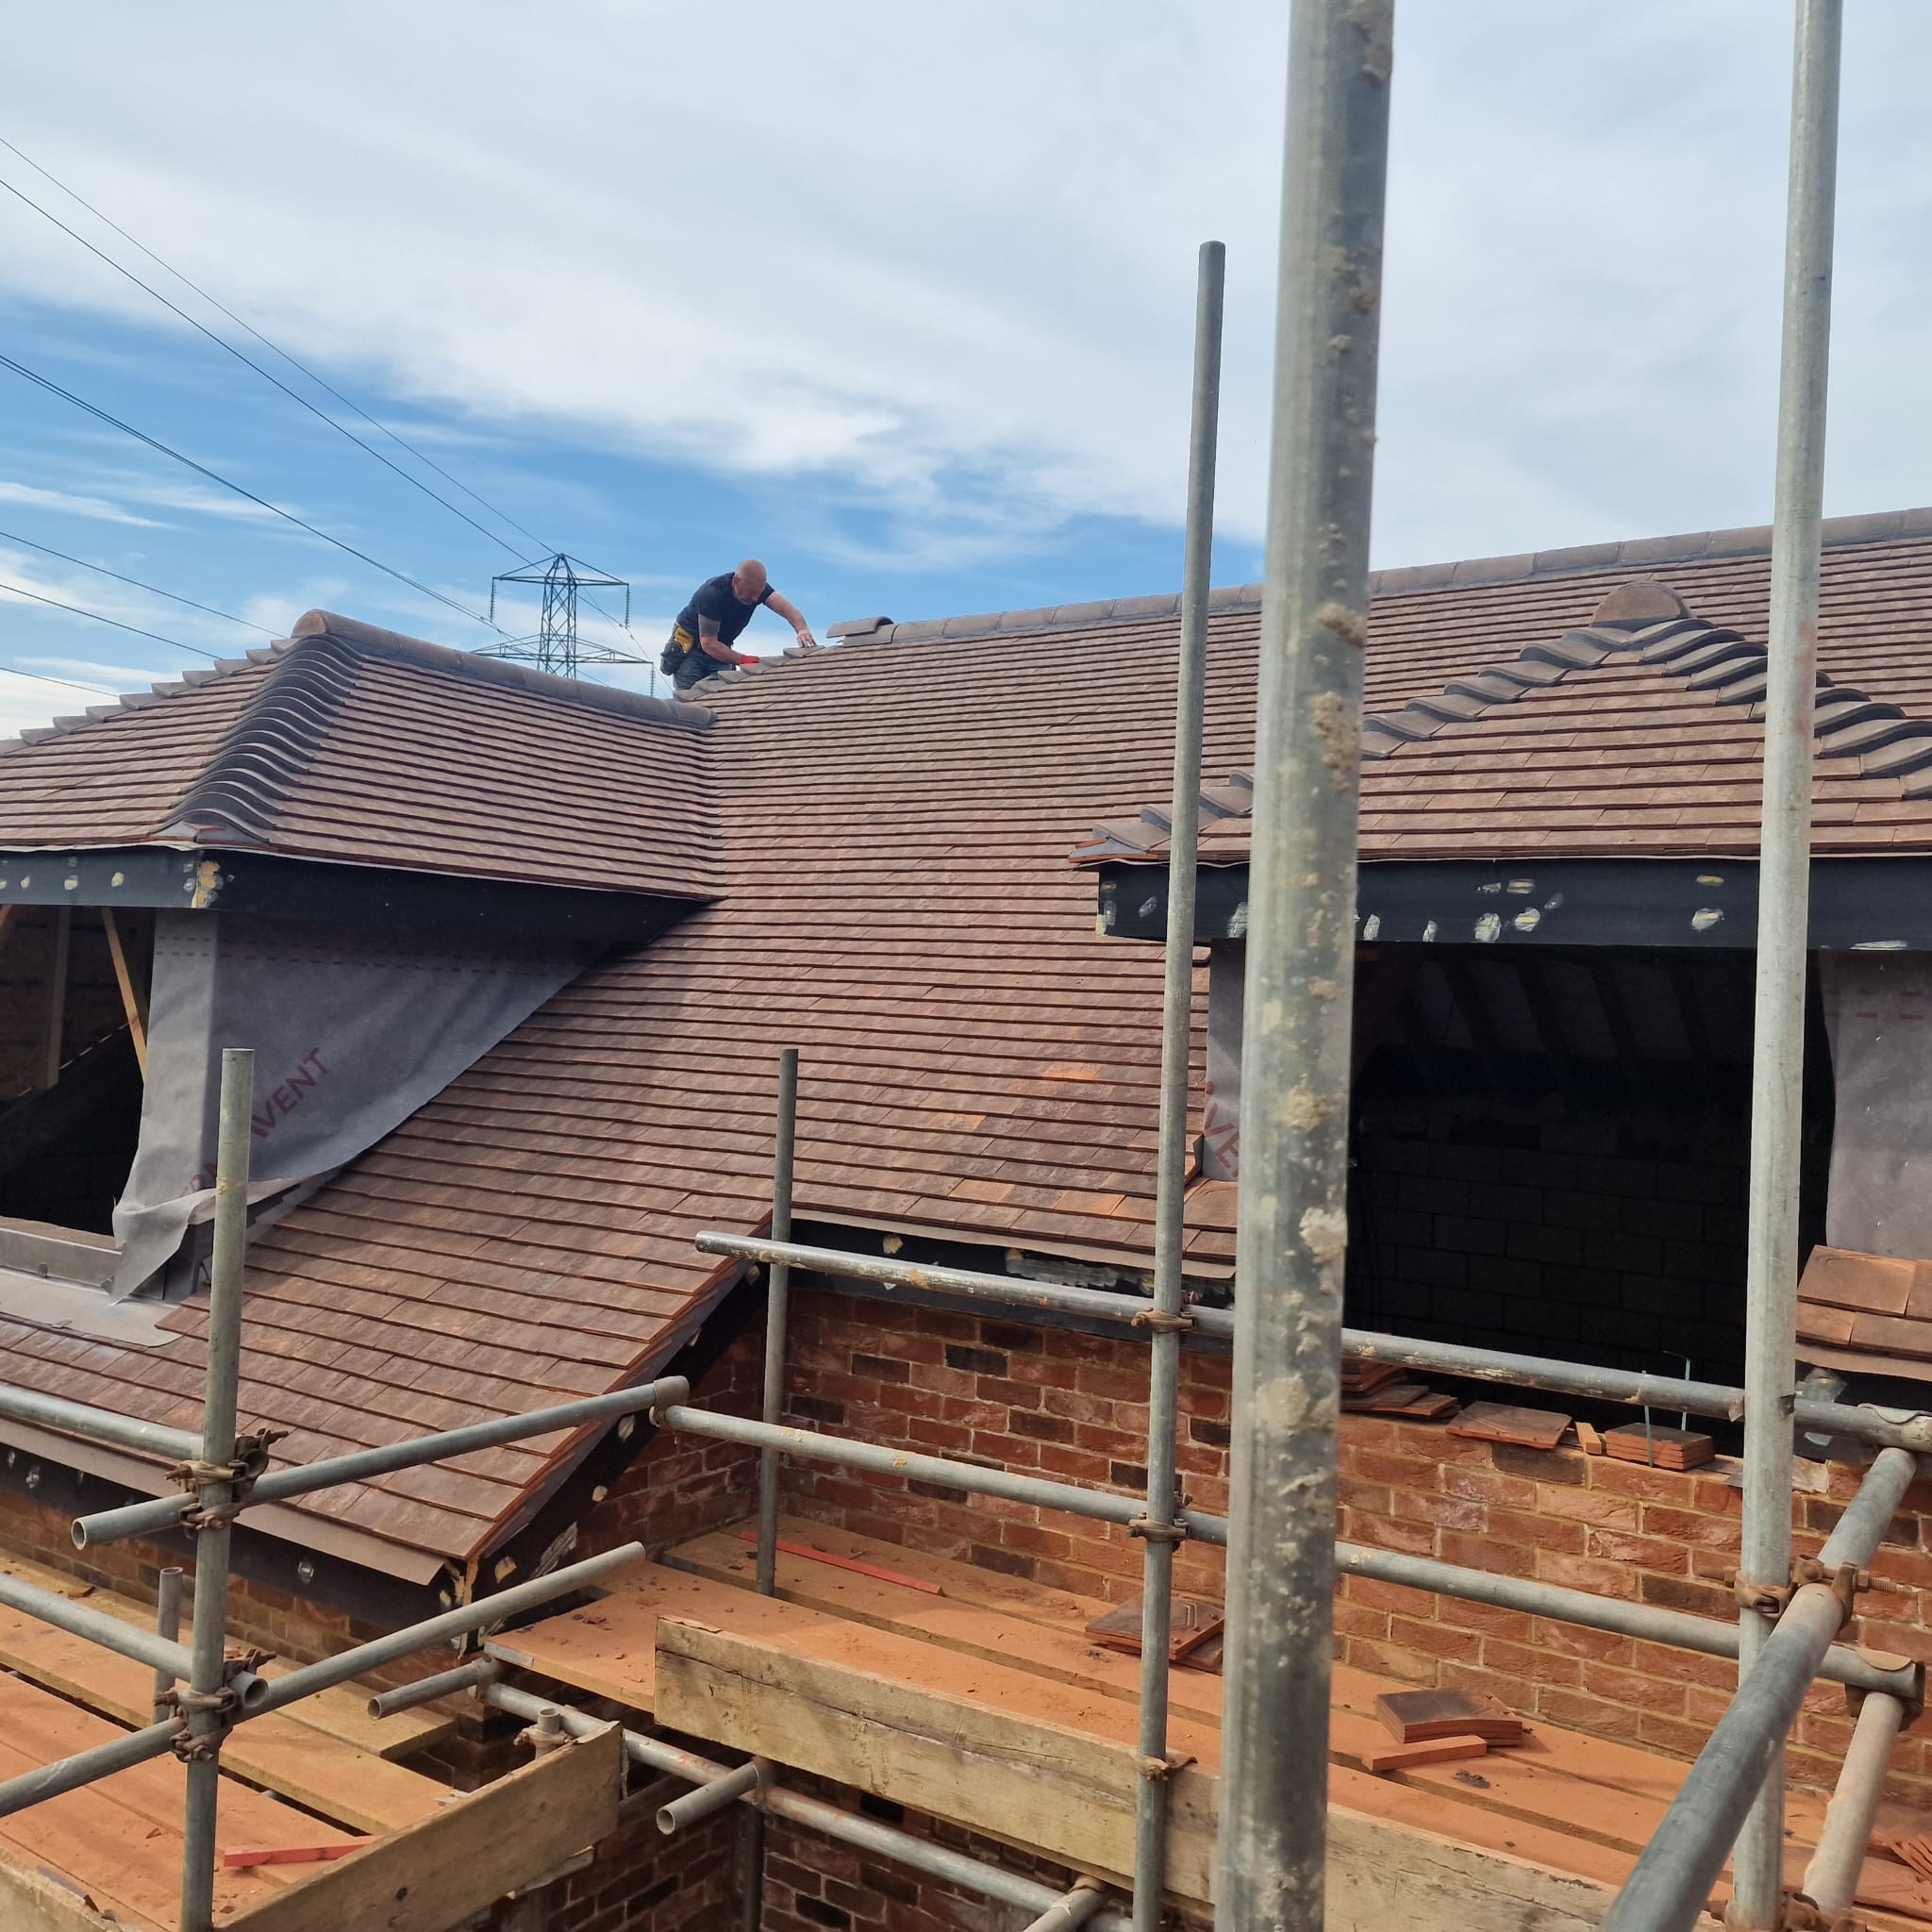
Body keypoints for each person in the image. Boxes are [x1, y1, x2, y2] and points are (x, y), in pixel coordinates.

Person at [662, 559, 816, 693]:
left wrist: (801, 629)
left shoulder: (757, 588)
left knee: (724, 698)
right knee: (688, 705)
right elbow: (708, 643)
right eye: (751, 593)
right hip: (692, 653)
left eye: (759, 593)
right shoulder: (712, 593)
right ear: (736, 581)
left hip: (722, 651)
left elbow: (785, 607)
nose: (755, 598)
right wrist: (742, 659)